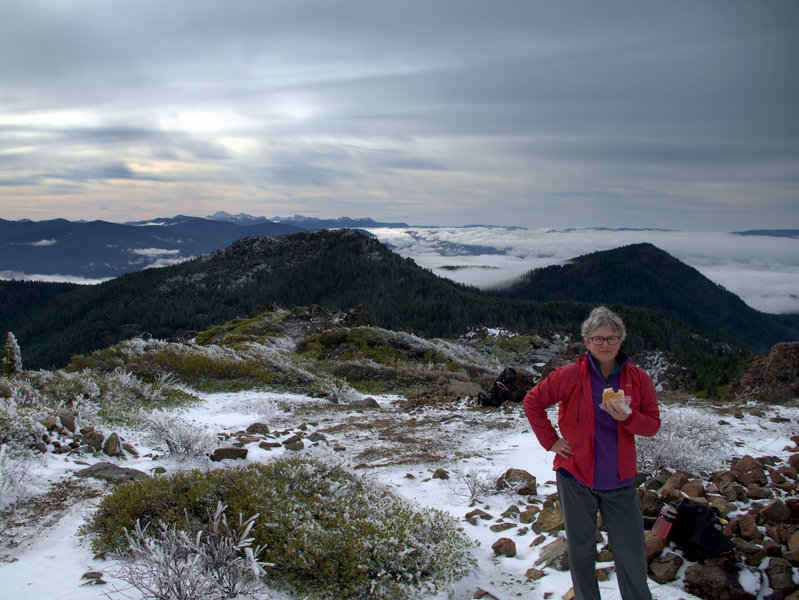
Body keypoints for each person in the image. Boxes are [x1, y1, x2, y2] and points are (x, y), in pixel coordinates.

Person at [523, 306, 660, 600]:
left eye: (611, 338)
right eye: (598, 339)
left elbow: (652, 425)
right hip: (576, 477)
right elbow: (533, 401)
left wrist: (628, 418)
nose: (605, 345)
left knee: (631, 552)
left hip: (620, 481)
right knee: (581, 550)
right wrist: (552, 442)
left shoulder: (638, 379)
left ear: (621, 341)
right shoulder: (570, 375)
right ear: (586, 342)